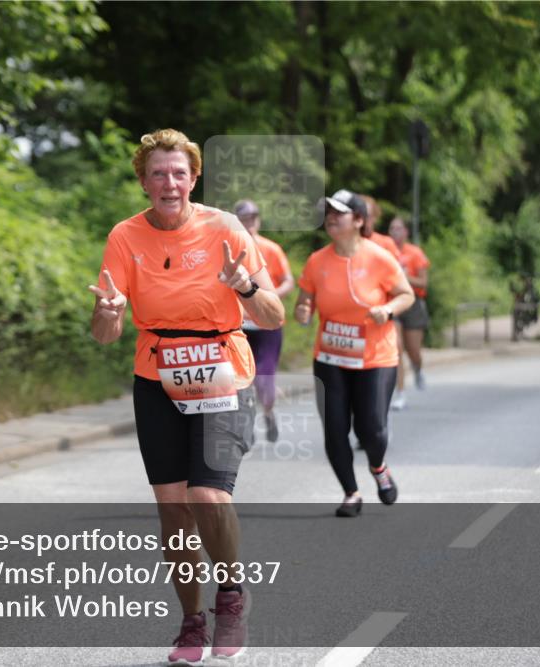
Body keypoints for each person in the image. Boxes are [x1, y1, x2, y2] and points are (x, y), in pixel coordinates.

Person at [89, 129, 284, 665]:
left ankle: (231, 597)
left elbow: (274, 314)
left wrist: (244, 286)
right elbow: (106, 332)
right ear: (143, 182)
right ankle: (192, 624)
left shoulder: (225, 228)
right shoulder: (125, 237)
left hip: (223, 371)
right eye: (158, 173)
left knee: (208, 497)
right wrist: (106, 316)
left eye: (179, 172)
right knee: (173, 509)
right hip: (156, 376)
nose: (169, 182)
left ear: (194, 178)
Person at [295, 189, 415, 517]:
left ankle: (379, 467)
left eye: (340, 212)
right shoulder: (317, 261)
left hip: (375, 358)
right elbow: (304, 301)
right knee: (335, 428)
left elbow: (407, 295)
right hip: (331, 358)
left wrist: (388, 309)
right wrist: (303, 311)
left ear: (359, 220)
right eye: (328, 212)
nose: (331, 217)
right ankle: (351, 492)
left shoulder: (379, 257)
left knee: (372, 428)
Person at [234, 199, 294, 442]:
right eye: (244, 219)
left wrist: (268, 297)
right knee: (240, 380)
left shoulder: (271, 249)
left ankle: (268, 412)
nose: (249, 223)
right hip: (239, 326)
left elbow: (289, 281)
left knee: (264, 378)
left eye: (252, 218)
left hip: (267, 325)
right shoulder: (227, 250)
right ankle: (247, 423)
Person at [387, 216, 431, 410]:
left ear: (406, 232)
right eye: (392, 228)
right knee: (396, 349)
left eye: (398, 228)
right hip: (393, 302)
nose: (395, 232)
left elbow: (423, 283)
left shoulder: (415, 253)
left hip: (413, 302)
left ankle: (418, 367)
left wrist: (406, 277)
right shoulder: (385, 252)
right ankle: (401, 393)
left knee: (413, 350)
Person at [361, 194, 401, 259]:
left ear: (375, 217)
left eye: (367, 216)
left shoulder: (386, 243)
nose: (363, 220)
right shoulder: (347, 243)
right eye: (360, 216)